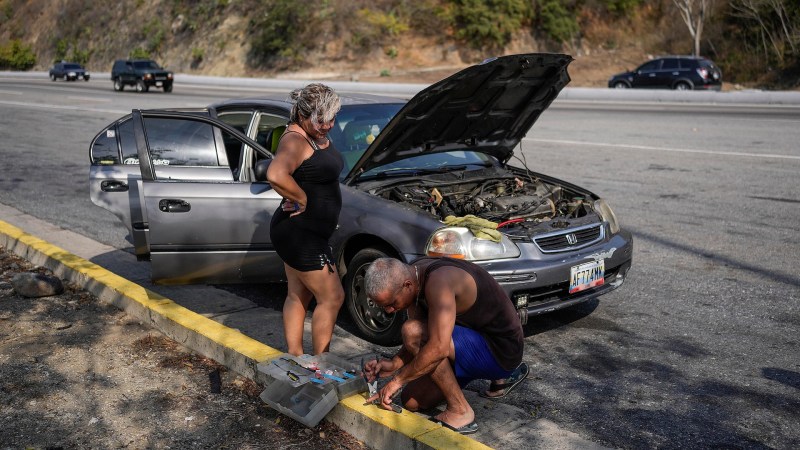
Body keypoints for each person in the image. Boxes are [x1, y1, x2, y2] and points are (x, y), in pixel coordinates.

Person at [363, 257, 529, 435]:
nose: (389, 311)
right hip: (469, 343)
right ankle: (490, 380)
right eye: (384, 307)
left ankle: (461, 410)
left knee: (412, 331)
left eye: (392, 303)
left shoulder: (438, 282)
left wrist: (397, 380)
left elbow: (436, 346)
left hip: (502, 352)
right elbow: (426, 334)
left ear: (408, 285)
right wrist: (394, 364)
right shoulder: (412, 275)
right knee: (412, 401)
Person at [266, 83, 345, 356]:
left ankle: (295, 358)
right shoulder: (295, 140)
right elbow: (276, 175)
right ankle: (320, 364)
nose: (328, 125)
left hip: (304, 232)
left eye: (332, 118)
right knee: (332, 297)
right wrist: (303, 198)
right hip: (300, 235)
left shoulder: (314, 136)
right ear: (302, 115)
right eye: (321, 120)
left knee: (298, 294)